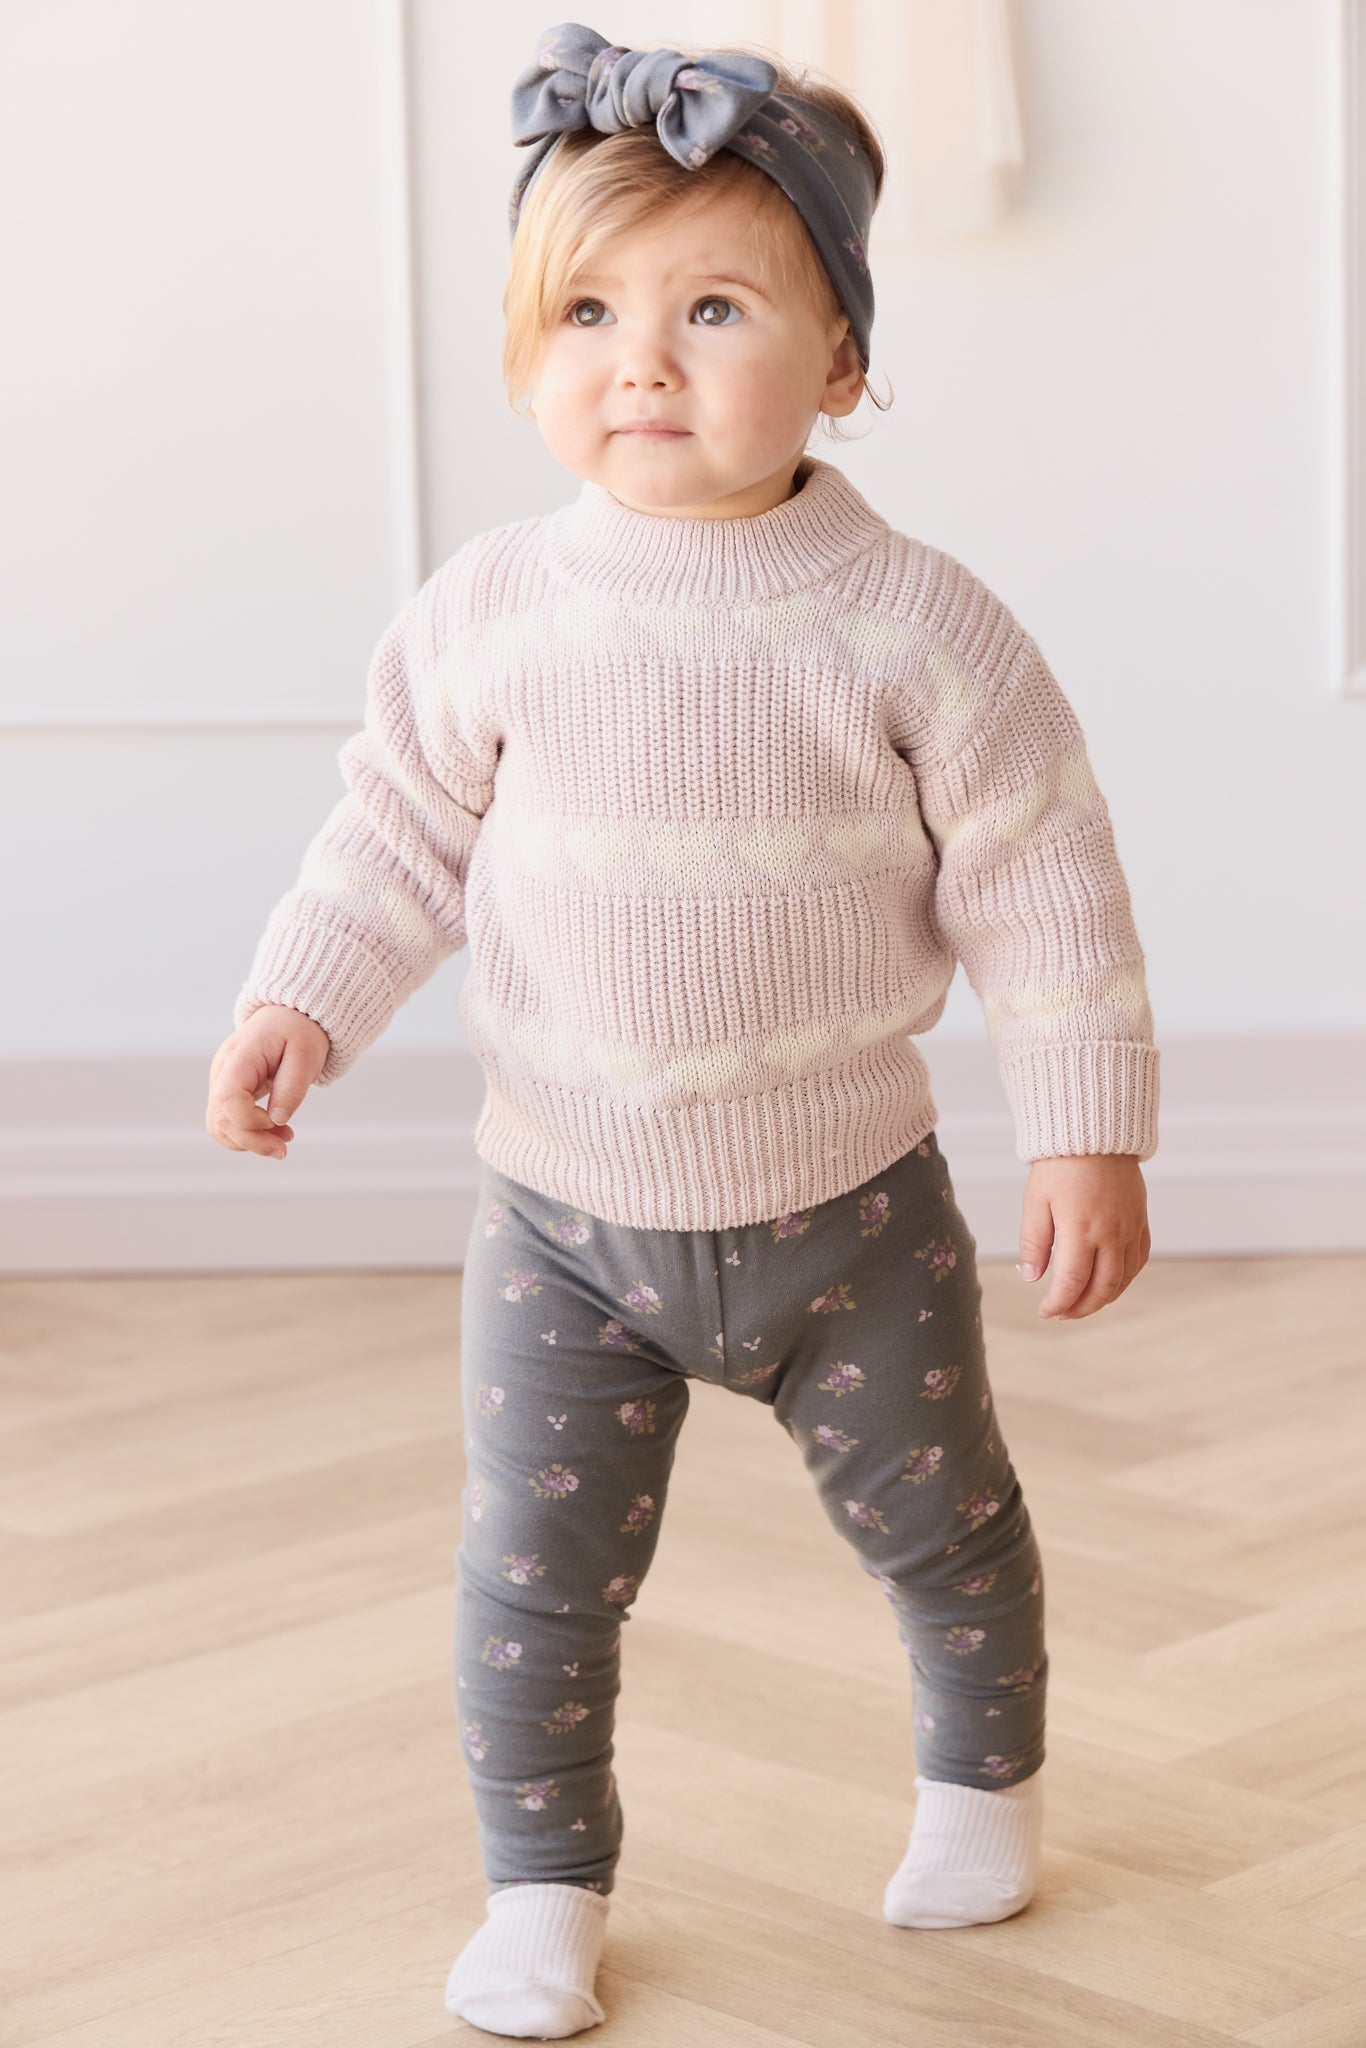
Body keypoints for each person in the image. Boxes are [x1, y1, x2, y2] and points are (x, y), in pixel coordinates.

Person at [206, 22, 1158, 2040]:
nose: (639, 362)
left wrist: (1085, 1131)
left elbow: (1043, 882)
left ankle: (980, 1789)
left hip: (852, 1217)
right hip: (564, 1224)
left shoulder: (916, 622)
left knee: (947, 1525)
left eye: (710, 309)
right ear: (523, 350)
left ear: (841, 360)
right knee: (531, 1582)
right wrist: (303, 996)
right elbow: (395, 838)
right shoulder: (490, 611)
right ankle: (542, 1887)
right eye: (587, 313)